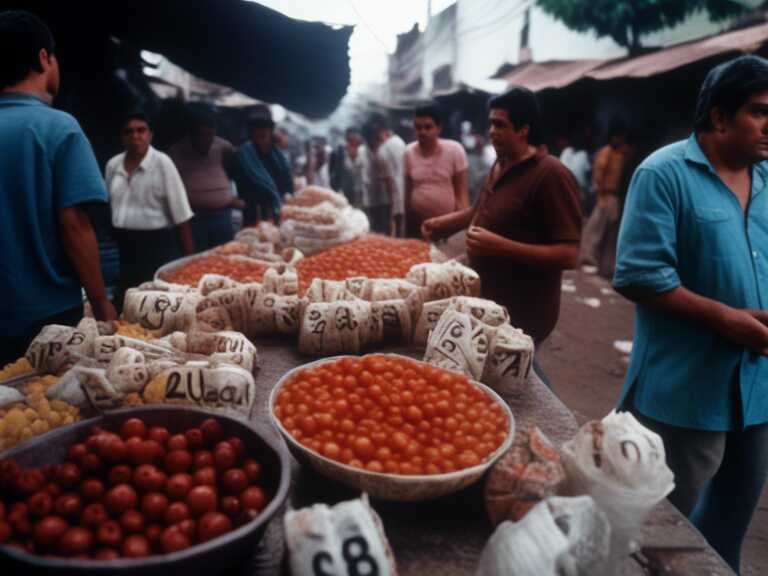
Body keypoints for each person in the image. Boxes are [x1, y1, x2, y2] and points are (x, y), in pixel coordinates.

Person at [613, 55, 768, 574]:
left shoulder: (767, 179)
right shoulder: (664, 174)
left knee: (729, 516)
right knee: (654, 525)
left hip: (756, 387)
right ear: (719, 117)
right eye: (760, 112)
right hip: (682, 393)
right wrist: (725, 319)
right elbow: (639, 274)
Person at [421, 87, 582, 383]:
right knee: (486, 375)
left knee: (522, 378)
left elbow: (569, 254)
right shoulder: (501, 164)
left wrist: (501, 246)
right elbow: (480, 210)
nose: (491, 131)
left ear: (523, 130)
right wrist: (447, 223)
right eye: (491, 123)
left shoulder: (551, 175)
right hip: (489, 300)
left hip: (524, 311)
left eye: (500, 125)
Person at [0, 10, 117, 365]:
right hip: (48, 318)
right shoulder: (59, 128)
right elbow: (74, 224)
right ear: (43, 58)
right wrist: (101, 302)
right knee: (47, 413)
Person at [105, 112, 194, 301]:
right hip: (123, 246)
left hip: (156, 246)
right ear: (122, 137)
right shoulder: (113, 165)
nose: (135, 135)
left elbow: (182, 215)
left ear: (150, 135)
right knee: (126, 300)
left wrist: (189, 263)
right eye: (129, 131)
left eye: (141, 130)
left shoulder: (162, 163)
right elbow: (108, 204)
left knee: (156, 301)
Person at [169, 103, 242, 252]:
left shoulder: (224, 147)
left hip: (222, 216)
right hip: (194, 219)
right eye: (201, 134)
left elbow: (231, 170)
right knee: (198, 260)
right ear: (191, 133)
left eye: (210, 134)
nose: (206, 139)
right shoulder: (176, 152)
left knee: (225, 258)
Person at [404, 104, 469, 238]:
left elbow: (462, 195)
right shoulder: (408, 152)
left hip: (448, 225)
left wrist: (461, 228)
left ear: (438, 128)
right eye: (418, 127)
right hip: (419, 225)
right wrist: (408, 226)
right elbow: (407, 193)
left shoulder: (455, 150)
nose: (422, 132)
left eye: (428, 127)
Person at [580, 121, 632, 276]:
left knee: (609, 230)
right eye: (619, 138)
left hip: (613, 196)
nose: (620, 141)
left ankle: (601, 263)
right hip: (604, 195)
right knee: (595, 228)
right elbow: (598, 175)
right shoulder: (606, 152)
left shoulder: (620, 154)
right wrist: (600, 195)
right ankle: (588, 259)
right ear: (614, 138)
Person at [232, 105, 292, 226]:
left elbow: (287, 181)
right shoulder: (243, 156)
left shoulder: (277, 155)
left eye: (265, 129)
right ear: (251, 133)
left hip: (277, 209)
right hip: (253, 212)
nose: (262, 132)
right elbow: (239, 183)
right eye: (257, 129)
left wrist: (287, 195)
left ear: (270, 131)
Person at [365, 115, 406, 237]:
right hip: (408, 196)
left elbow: (389, 183)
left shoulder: (381, 152)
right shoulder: (400, 141)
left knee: (396, 236)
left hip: (396, 201)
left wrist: (392, 210)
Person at [330, 128, 369, 207]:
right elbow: (338, 172)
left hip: (365, 191)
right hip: (348, 191)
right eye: (351, 139)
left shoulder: (365, 150)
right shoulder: (341, 152)